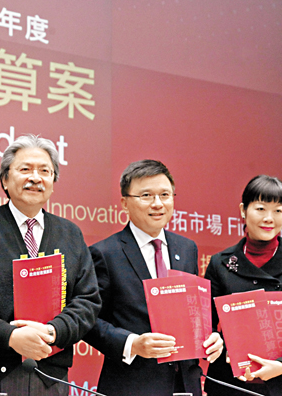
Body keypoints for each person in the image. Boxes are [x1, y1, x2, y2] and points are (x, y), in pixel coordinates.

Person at [0, 134, 101, 395]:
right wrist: (10, 336)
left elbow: (88, 301)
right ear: (4, 179)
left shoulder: (71, 234)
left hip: (51, 377)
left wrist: (54, 331)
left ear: (53, 182)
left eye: (45, 171)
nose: (35, 178)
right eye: (25, 170)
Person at [83, 159, 224, 396]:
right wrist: (133, 344)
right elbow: (88, 321)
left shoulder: (186, 248)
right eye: (146, 195)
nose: (158, 204)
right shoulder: (104, 253)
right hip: (133, 385)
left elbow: (194, 312)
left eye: (165, 195)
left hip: (185, 384)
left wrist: (212, 337)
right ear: (124, 203)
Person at [204, 175, 282, 396]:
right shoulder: (220, 263)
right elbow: (206, 325)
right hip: (228, 383)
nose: (269, 218)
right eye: (260, 209)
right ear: (243, 210)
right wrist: (218, 344)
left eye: (278, 210)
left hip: (281, 385)